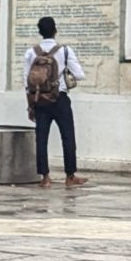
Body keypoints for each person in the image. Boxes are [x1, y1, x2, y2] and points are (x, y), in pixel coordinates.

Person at [24, 15, 87, 189]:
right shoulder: (65, 51)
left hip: (39, 100)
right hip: (60, 98)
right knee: (67, 136)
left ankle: (45, 178)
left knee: (41, 138)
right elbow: (80, 75)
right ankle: (70, 176)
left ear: (40, 32)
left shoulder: (31, 52)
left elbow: (26, 82)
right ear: (55, 30)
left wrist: (30, 105)